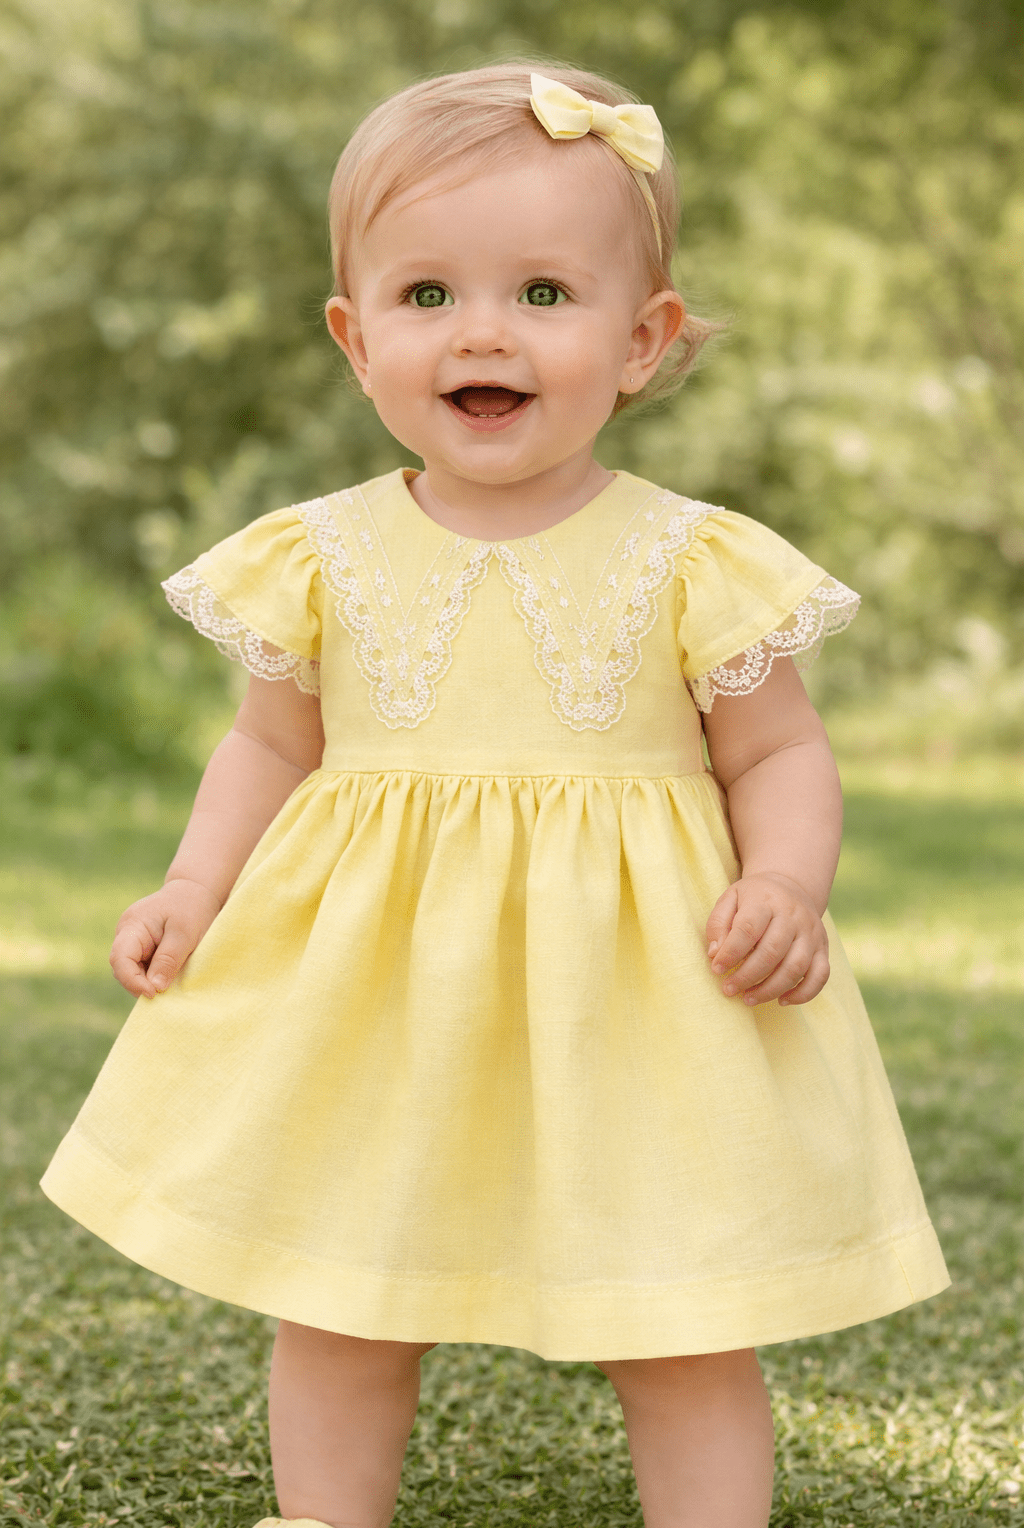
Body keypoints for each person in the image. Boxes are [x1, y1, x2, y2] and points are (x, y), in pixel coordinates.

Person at [41, 61, 949, 1528]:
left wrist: (784, 882)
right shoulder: (320, 553)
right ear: (354, 338)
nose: (483, 333)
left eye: (543, 294)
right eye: (426, 298)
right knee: (340, 1293)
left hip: (639, 997)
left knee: (679, 1310)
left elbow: (777, 749)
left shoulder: (690, 557)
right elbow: (272, 747)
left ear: (642, 339)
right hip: (380, 993)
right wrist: (195, 888)